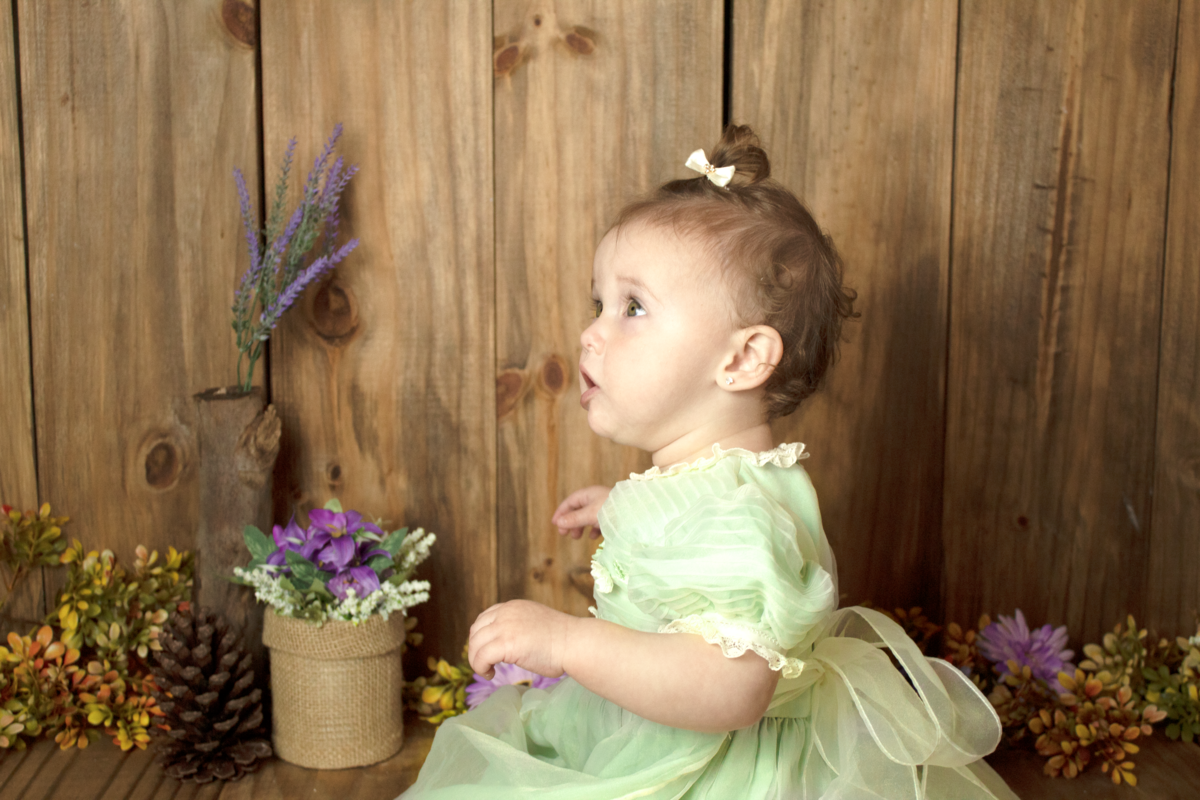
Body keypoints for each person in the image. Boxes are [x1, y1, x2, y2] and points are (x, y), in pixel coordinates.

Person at [400, 125, 1016, 799]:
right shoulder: (719, 484)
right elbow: (690, 527)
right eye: (599, 304)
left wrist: (568, 644)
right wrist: (623, 508)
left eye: (634, 307)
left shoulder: (741, 520)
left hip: (710, 772)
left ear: (742, 359)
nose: (590, 331)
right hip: (637, 734)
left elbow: (730, 688)